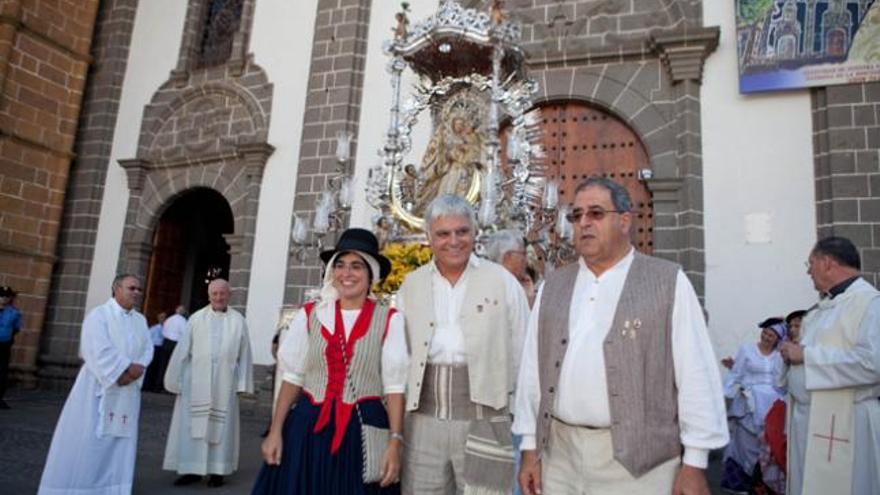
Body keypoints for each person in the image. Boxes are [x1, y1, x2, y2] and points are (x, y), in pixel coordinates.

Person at [514, 177, 728, 495]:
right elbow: (532, 372)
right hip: (560, 455)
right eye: (577, 215)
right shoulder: (552, 287)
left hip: (639, 465)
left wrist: (695, 463)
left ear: (625, 220)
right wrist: (530, 449)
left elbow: (695, 373)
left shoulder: (667, 282)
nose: (584, 223)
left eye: (596, 214)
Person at [253, 228, 407, 495]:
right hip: (308, 427)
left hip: (361, 432)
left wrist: (395, 441)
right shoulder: (311, 315)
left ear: (371, 274)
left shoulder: (390, 319)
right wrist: (275, 430)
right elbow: (292, 378)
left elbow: (394, 387)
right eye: (340, 265)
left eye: (356, 266)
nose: (347, 274)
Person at [397, 194, 530, 495]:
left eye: (462, 231)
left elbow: (525, 356)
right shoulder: (412, 285)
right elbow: (399, 357)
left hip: (487, 420)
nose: (453, 241)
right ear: (429, 238)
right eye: (443, 234)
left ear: (474, 233)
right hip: (423, 423)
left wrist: (523, 425)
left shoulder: (503, 282)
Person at [779, 236, 880, 495]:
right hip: (808, 423)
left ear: (827, 263)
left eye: (810, 263)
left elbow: (873, 363)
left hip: (847, 424)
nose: (808, 271)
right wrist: (790, 357)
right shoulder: (818, 310)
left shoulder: (871, 304)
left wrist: (807, 356)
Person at [38, 274, 152, 495]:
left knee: (118, 442)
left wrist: (134, 371)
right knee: (88, 441)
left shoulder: (141, 320)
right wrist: (122, 371)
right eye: (132, 288)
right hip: (96, 388)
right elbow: (97, 349)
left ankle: (112, 488)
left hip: (127, 392)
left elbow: (147, 349)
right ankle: (81, 487)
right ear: (116, 288)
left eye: (139, 289)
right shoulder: (98, 315)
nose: (137, 293)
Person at [163, 279, 254, 488]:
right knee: (192, 427)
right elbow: (182, 350)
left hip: (225, 383)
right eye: (215, 293)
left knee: (221, 429)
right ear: (209, 295)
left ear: (229, 295)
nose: (219, 297)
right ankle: (191, 469)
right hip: (196, 382)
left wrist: (242, 383)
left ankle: (217, 471)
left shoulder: (238, 320)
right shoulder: (196, 318)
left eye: (223, 293)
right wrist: (176, 379)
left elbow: (245, 353)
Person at [720, 319, 786, 493]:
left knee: (764, 446)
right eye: (765, 332)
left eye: (771, 335)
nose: (766, 336)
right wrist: (726, 393)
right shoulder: (747, 350)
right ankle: (740, 484)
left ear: (777, 338)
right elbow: (736, 374)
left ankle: (760, 485)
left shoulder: (779, 355)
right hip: (748, 403)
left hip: (770, 405)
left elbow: (780, 381)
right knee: (744, 445)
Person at [0, 285, 22, 409]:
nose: (3, 299)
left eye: (6, 296)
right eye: (1, 296)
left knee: (2, 371)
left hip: (4, 344)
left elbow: (16, 327)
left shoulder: (14, 313)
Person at [143, 311, 166, 392]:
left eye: (164, 317)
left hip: (161, 349)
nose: (163, 319)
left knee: (158, 368)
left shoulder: (167, 328)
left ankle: (154, 386)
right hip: (154, 348)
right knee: (150, 368)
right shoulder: (154, 328)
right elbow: (147, 338)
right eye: (161, 317)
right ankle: (146, 386)